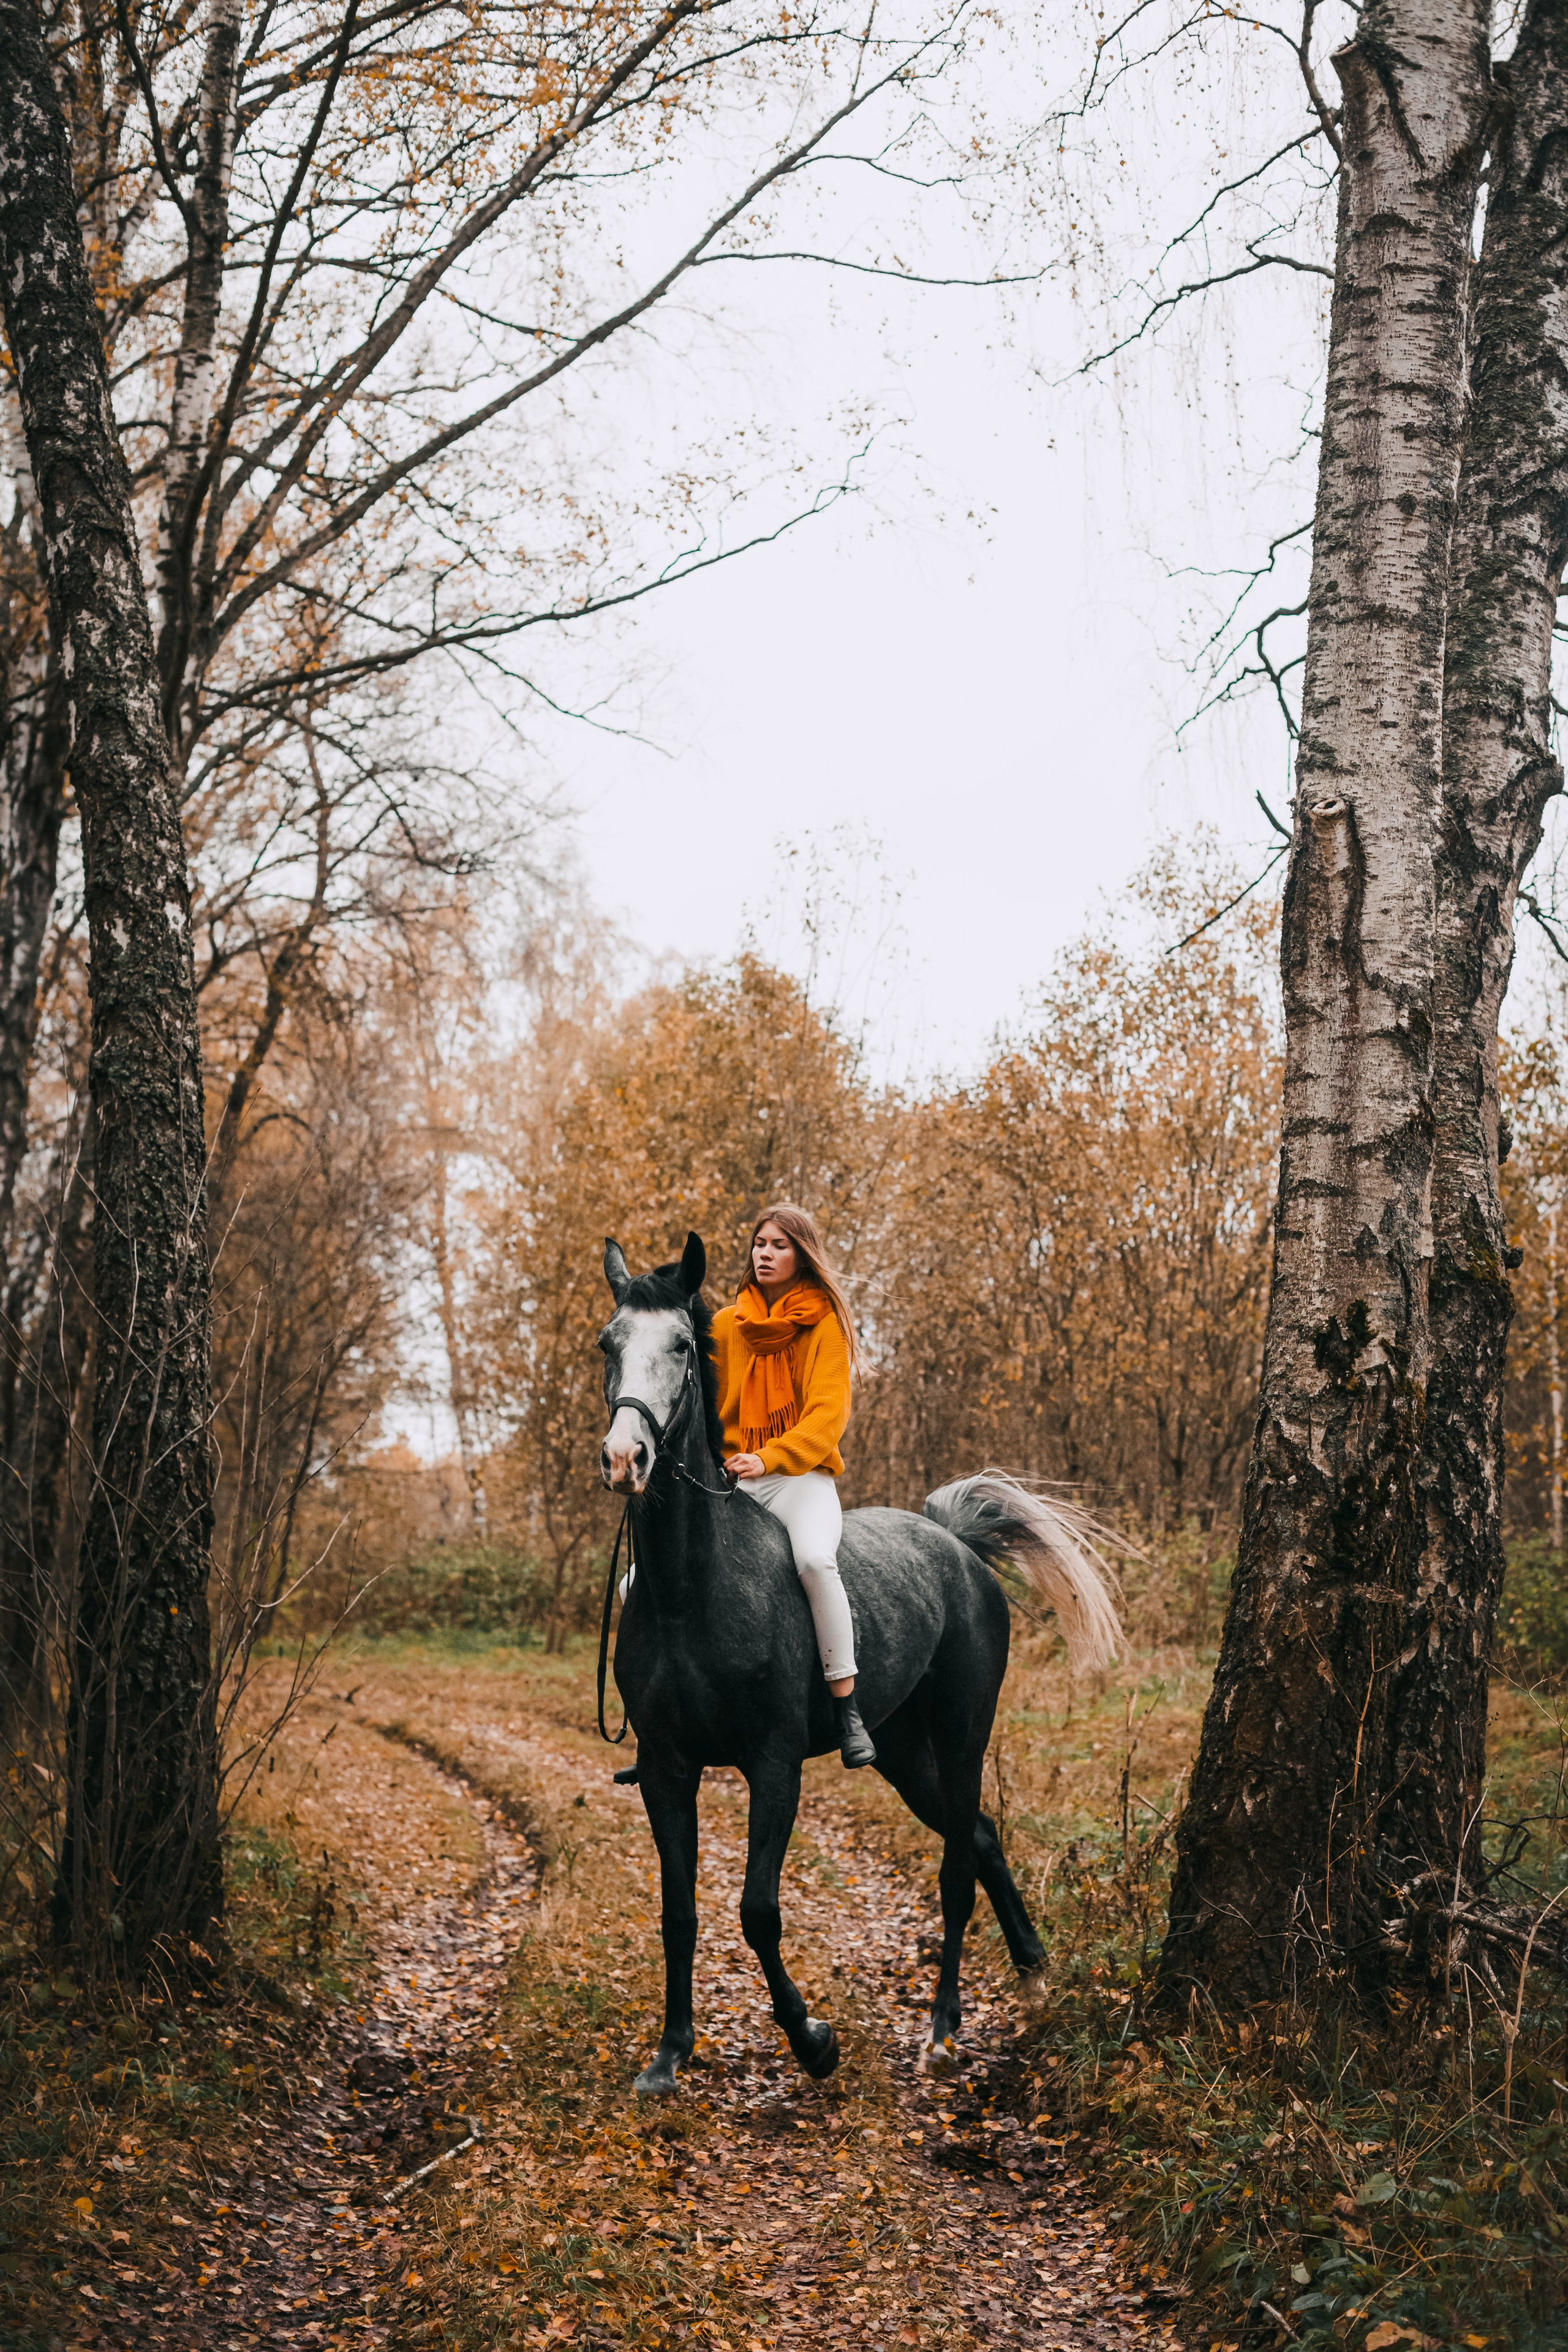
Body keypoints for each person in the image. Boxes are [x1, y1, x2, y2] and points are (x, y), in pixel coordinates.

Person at [713, 1204, 876, 1769]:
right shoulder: (725, 1325)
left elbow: (827, 1417)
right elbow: (700, 1404)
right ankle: (659, 1720)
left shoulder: (825, 1322)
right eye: (760, 1243)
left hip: (798, 1477)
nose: (765, 1253)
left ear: (802, 1254)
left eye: (780, 1245)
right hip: (735, 1479)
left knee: (813, 1562)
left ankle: (845, 1708)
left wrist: (771, 1456)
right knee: (639, 1580)